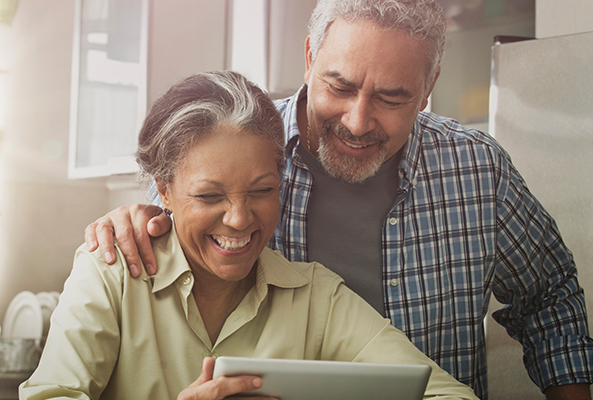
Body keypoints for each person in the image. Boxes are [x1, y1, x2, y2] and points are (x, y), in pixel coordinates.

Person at [83, 1, 593, 400]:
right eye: (340, 86)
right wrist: (131, 221)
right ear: (309, 58)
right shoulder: (232, 147)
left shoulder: (479, 170)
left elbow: (549, 295)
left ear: (429, 86)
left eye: (392, 98)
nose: (356, 119)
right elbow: (162, 238)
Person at [20, 71, 478, 400]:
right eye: (209, 196)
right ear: (164, 190)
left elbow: (448, 396)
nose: (239, 219)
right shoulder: (112, 272)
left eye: (262, 191)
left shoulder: (316, 298)